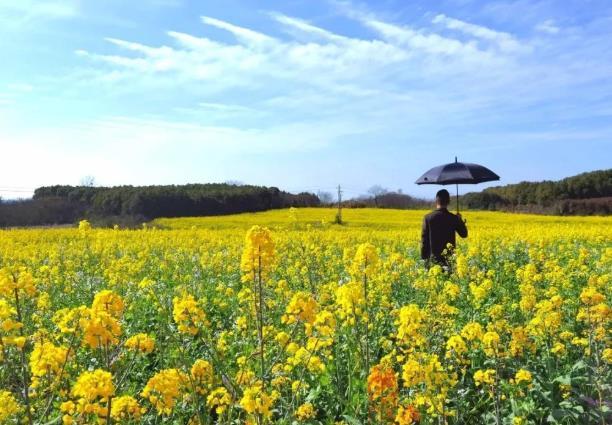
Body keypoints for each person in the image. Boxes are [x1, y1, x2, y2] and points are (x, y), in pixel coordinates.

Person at [421, 189, 468, 270]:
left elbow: (424, 241)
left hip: (433, 261)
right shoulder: (453, 218)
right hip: (449, 260)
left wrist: (424, 260)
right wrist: (460, 220)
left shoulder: (428, 218)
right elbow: (464, 234)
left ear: (436, 201)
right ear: (448, 202)